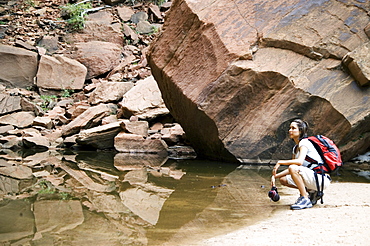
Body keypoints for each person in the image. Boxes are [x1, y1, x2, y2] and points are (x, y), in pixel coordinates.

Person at [271, 119, 331, 210]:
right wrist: (275, 176)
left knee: (293, 167)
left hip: (321, 179)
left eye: (293, 128)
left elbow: (299, 162)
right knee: (283, 179)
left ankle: (305, 198)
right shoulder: (295, 148)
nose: (290, 130)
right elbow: (292, 170)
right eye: (290, 128)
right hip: (312, 178)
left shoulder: (305, 142)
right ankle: (312, 192)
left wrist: (280, 162)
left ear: (301, 131)